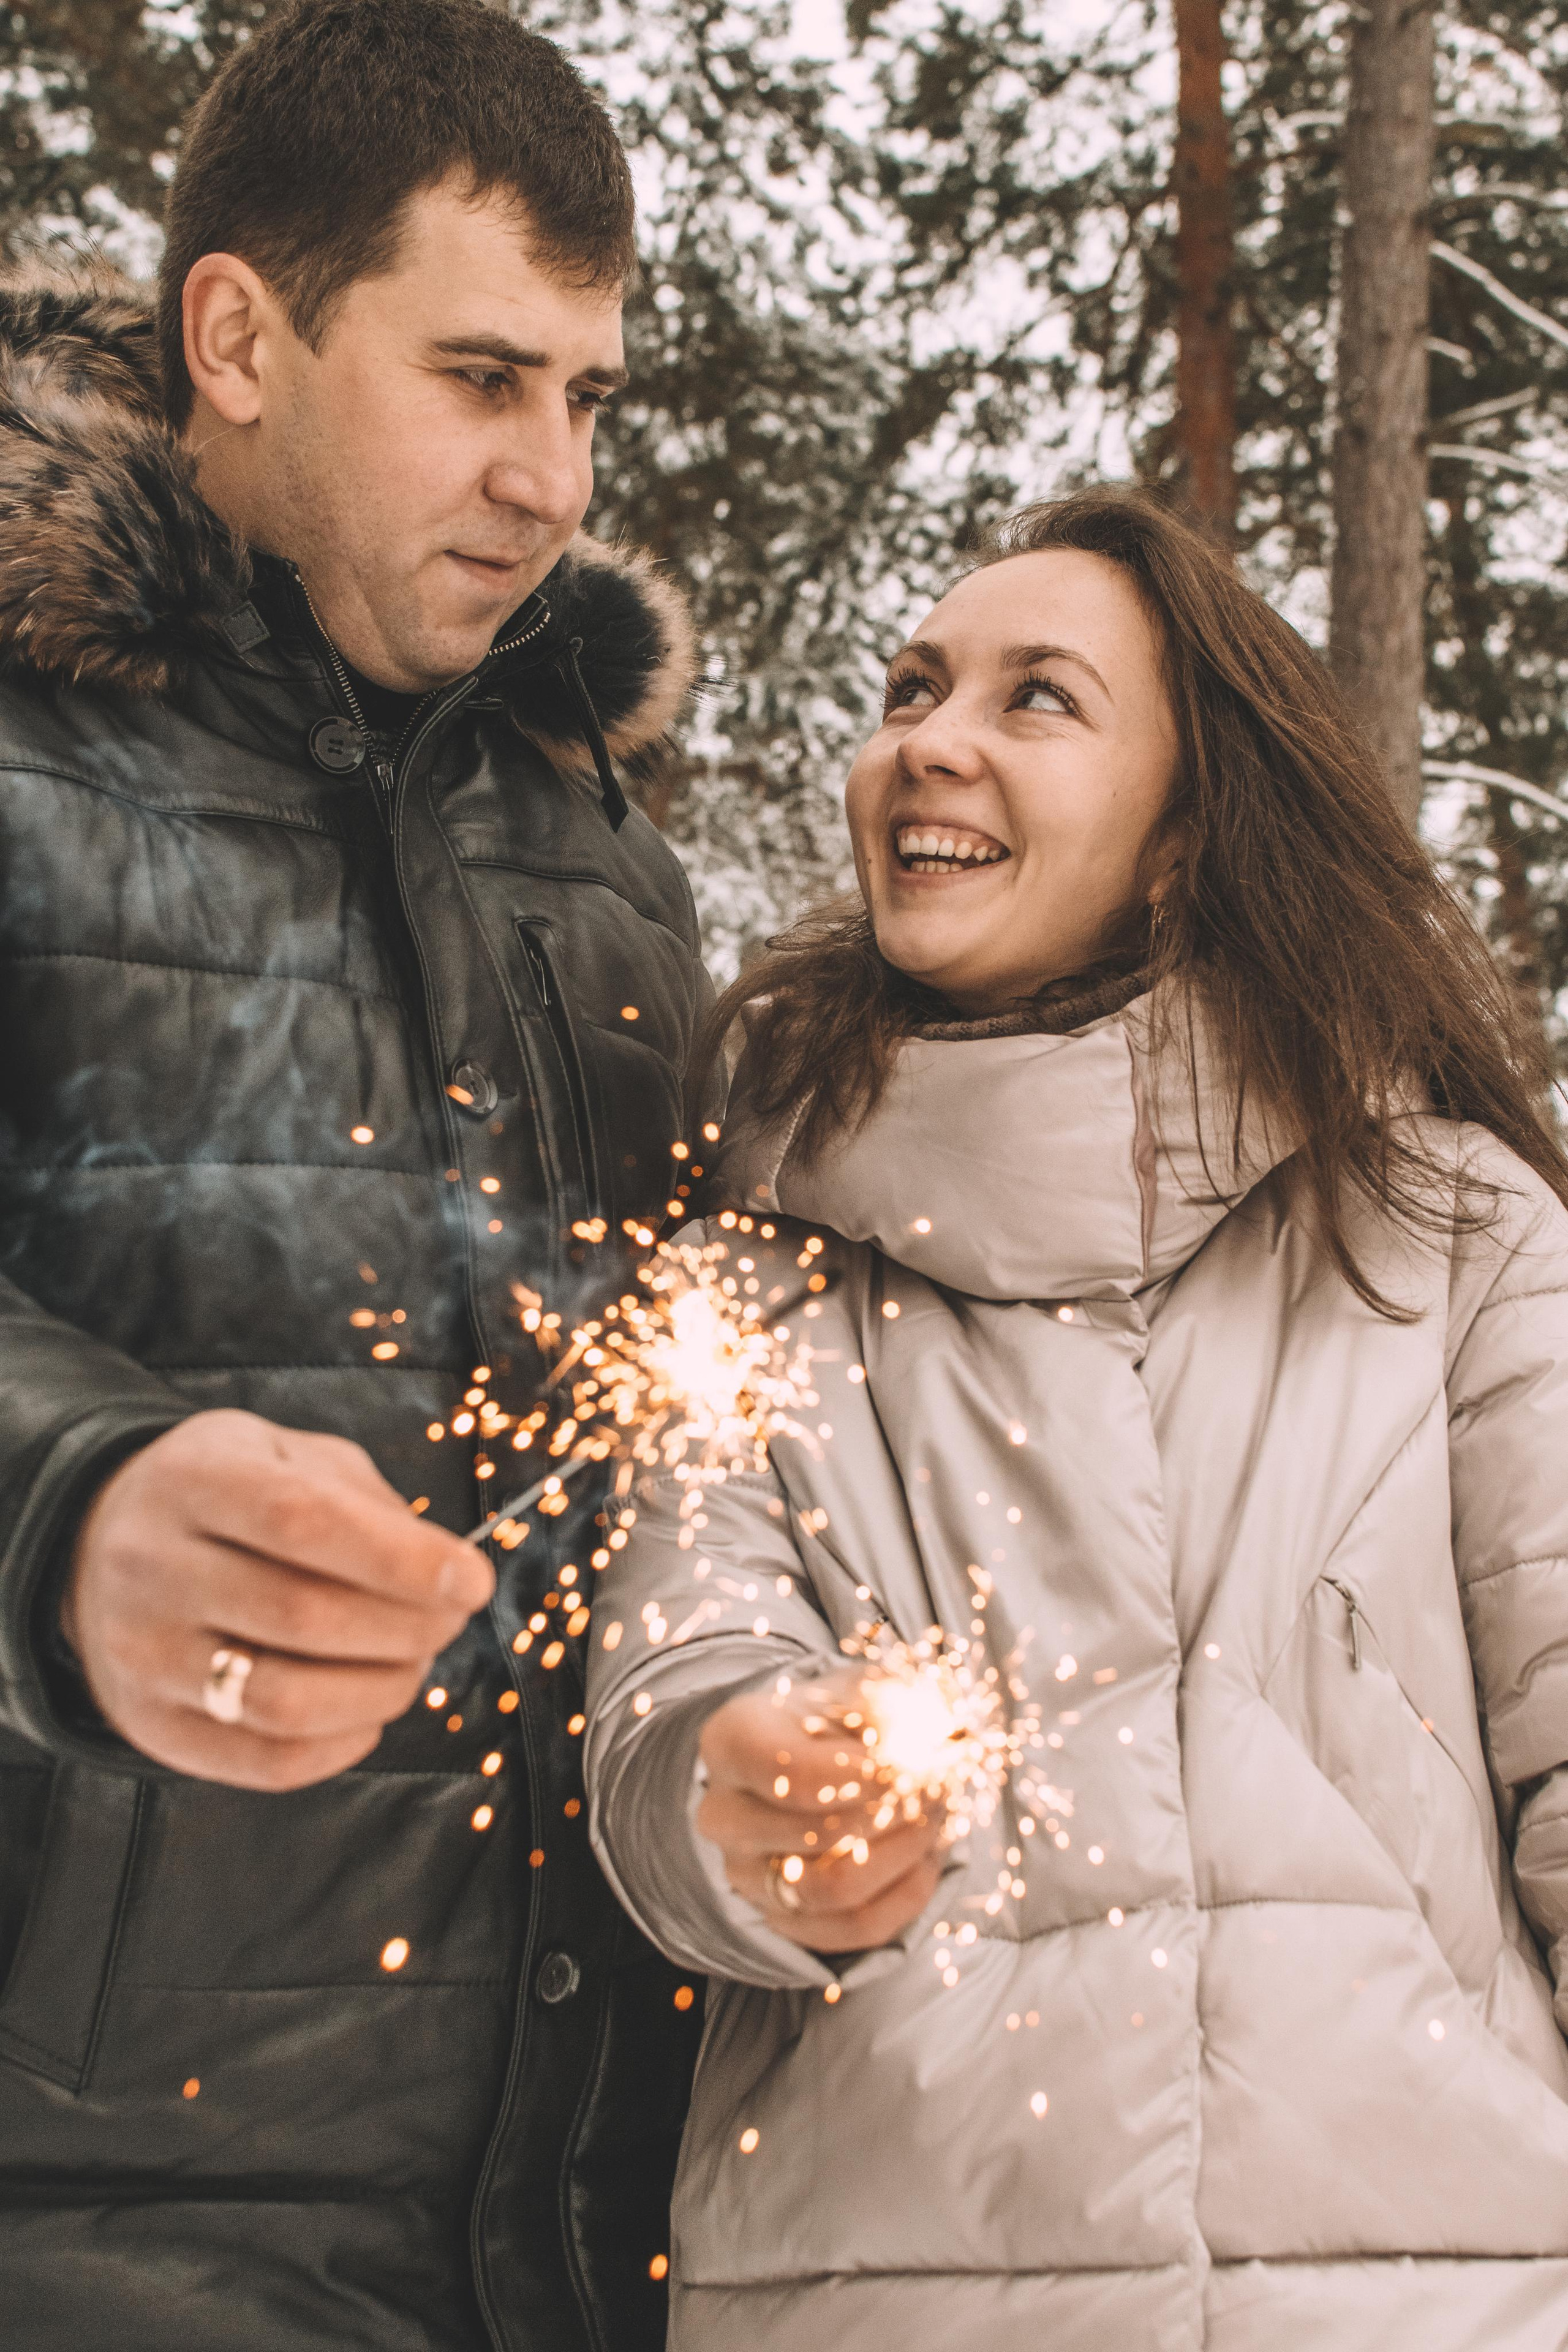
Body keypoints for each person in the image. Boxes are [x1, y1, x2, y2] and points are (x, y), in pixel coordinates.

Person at [586, 486, 1568, 2351]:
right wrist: (739, 1802)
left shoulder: (1453, 1244)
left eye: (1036, 699)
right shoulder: (749, 1285)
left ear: (1192, 835)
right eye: (909, 691)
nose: (929, 743)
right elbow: (661, 1709)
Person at [0, 2, 707, 2344]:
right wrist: (59, 1516)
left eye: (589, 398)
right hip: (108, 2216)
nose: (554, 480)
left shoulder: (605, 862)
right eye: (484, 377)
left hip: (589, 2214)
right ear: (240, 337)